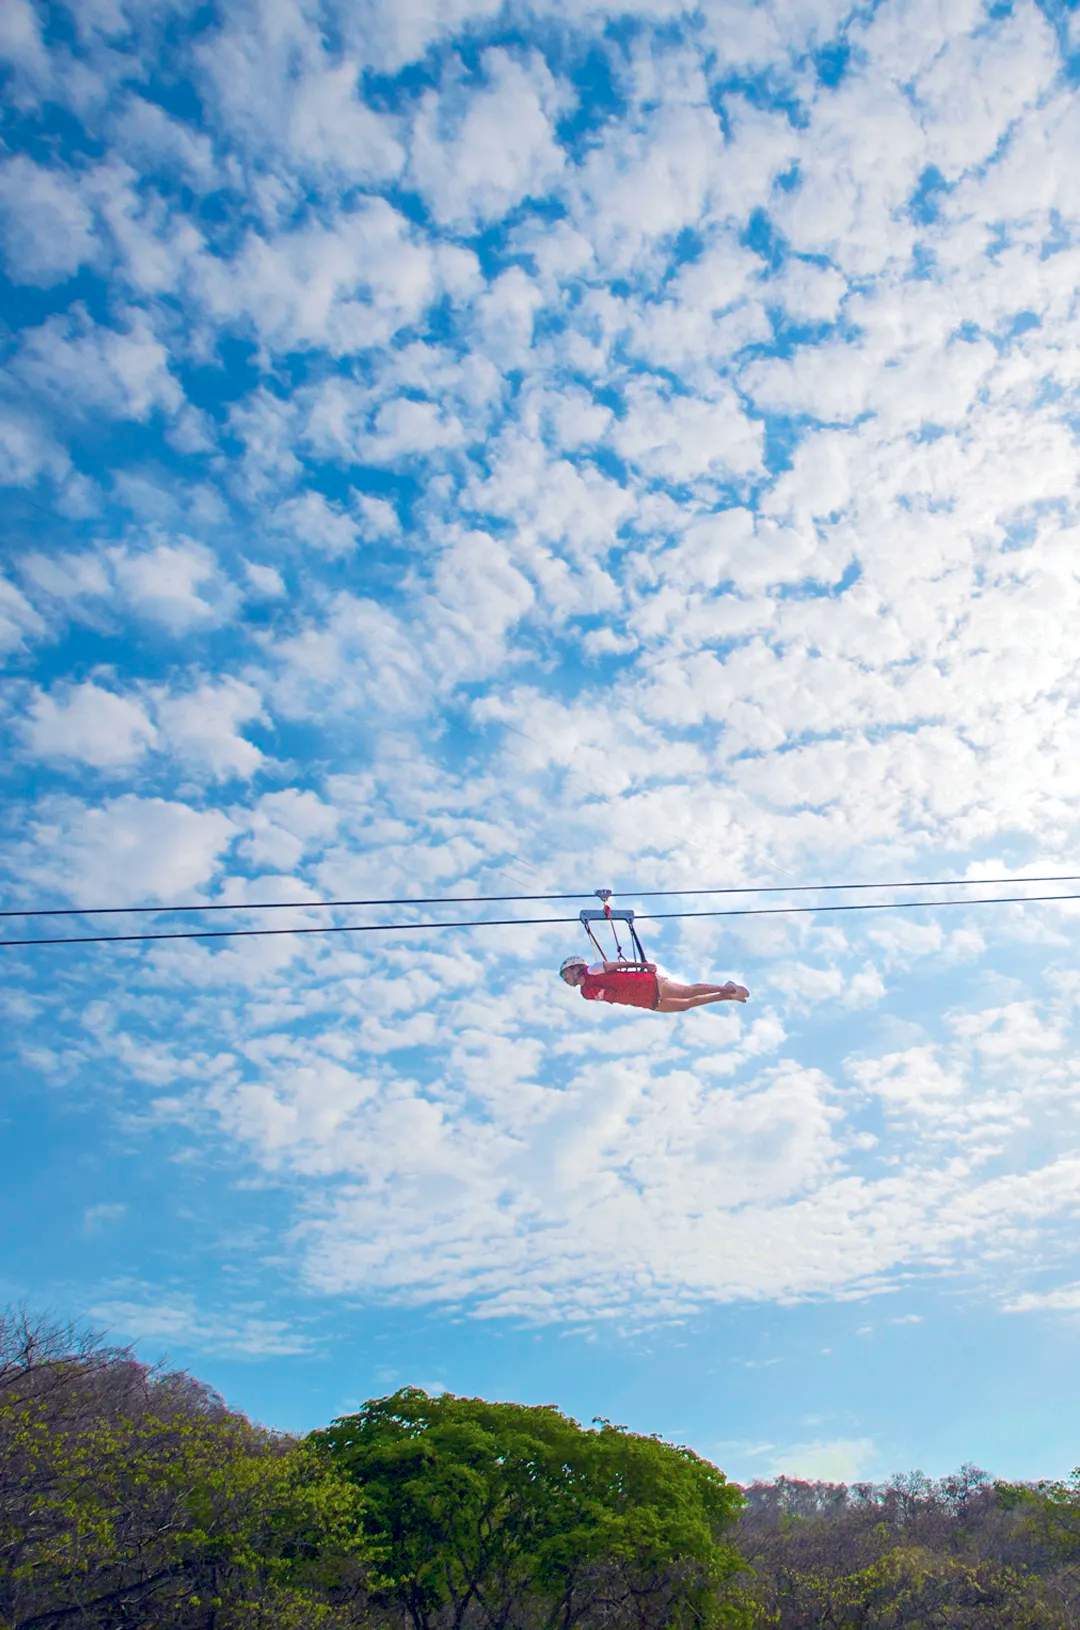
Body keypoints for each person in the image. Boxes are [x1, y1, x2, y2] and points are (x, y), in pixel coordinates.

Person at [559, 955, 748, 1013]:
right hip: (644, 1000)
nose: (565, 978)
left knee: (687, 993)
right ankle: (726, 996)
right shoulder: (586, 993)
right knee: (686, 1006)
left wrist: (641, 966)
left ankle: (727, 987)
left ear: (575, 967)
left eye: (565, 973)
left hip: (647, 984)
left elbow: (618, 965)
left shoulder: (592, 970)